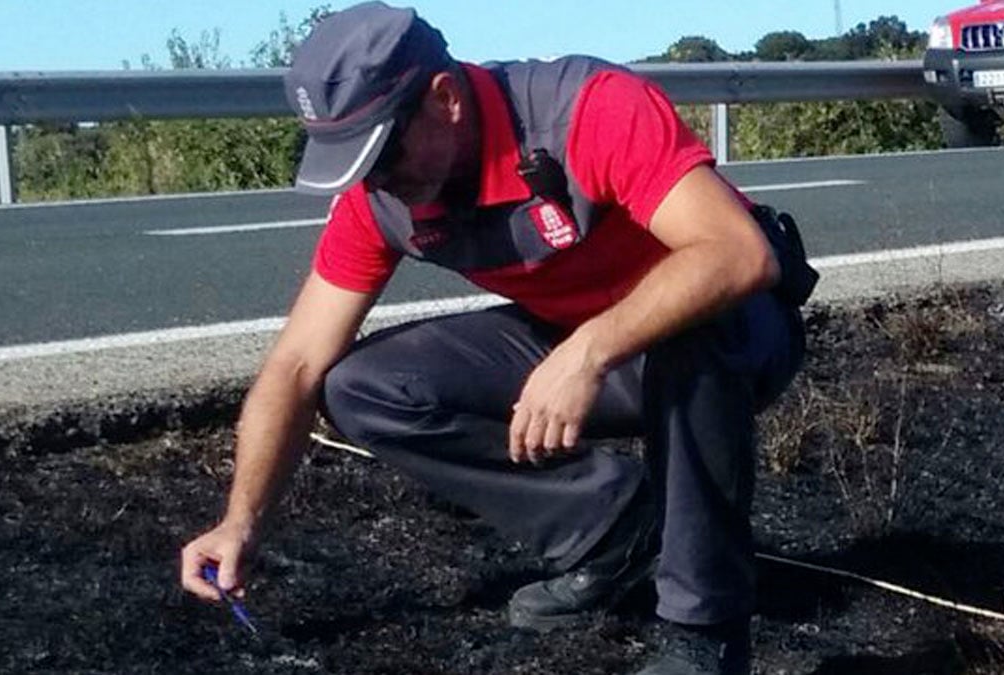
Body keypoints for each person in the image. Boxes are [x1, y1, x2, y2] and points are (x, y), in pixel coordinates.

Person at [180, 3, 815, 673]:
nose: (376, 181)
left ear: (445, 98)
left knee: (696, 333)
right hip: (581, 342)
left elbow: (738, 255)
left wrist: (588, 350)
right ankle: (613, 524)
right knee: (360, 386)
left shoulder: (587, 111)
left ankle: (702, 633)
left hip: (735, 330)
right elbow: (298, 362)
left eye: (381, 154)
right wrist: (240, 519)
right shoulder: (382, 197)